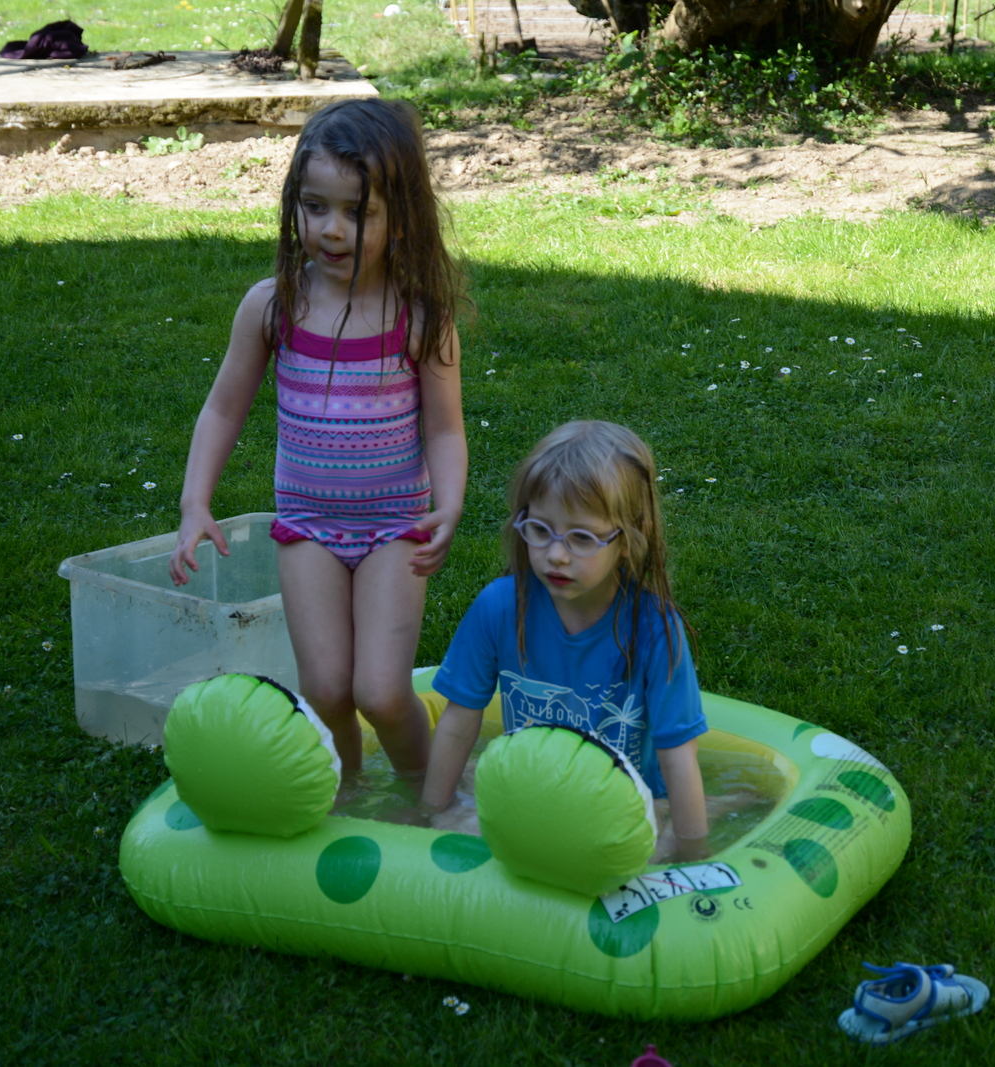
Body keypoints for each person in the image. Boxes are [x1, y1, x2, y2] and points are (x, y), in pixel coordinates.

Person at [168, 99, 466, 780]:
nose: (331, 229)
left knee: (381, 692)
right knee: (327, 689)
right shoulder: (274, 306)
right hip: (307, 527)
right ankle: (349, 796)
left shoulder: (420, 319)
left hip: (395, 527)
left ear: (401, 218)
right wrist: (194, 503)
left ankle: (429, 795)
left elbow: (446, 428)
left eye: (357, 212)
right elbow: (223, 409)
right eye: (314, 206)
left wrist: (448, 505)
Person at [420, 421, 711, 861]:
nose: (556, 554)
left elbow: (678, 755)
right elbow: (459, 722)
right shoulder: (499, 607)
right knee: (466, 823)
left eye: (581, 538)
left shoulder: (652, 628)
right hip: (532, 792)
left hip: (628, 805)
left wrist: (694, 854)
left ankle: (721, 808)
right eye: (540, 530)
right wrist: (432, 814)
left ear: (628, 540)